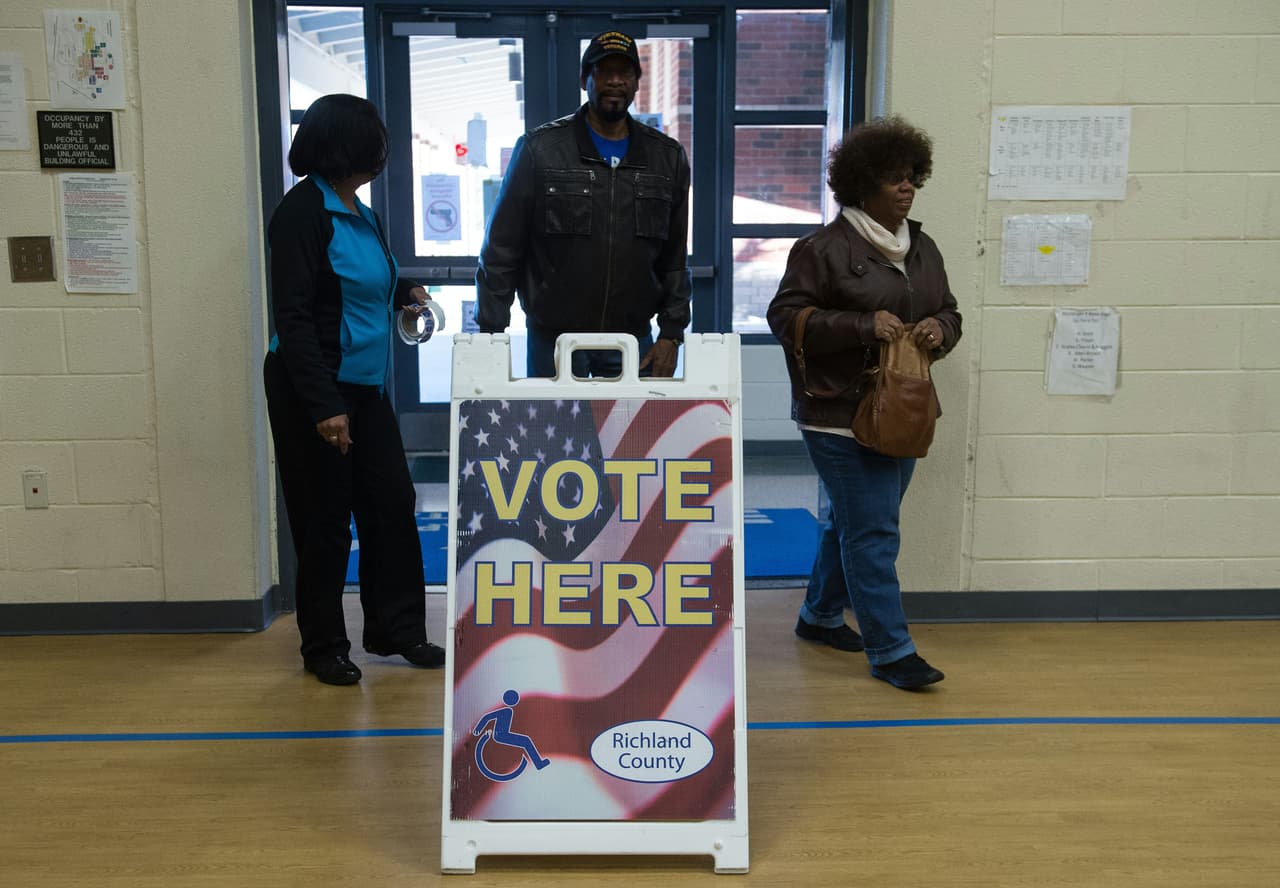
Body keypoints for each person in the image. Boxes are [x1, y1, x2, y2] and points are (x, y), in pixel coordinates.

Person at [767, 116, 962, 691]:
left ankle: (820, 615)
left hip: (902, 411)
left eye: (912, 177)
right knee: (873, 533)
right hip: (837, 417)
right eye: (893, 177)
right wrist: (860, 325)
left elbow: (949, 310)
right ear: (860, 183)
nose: (907, 187)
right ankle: (892, 651)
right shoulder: (822, 249)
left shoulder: (922, 247)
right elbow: (785, 318)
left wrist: (940, 329)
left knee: (853, 523)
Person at [263, 93, 445, 686]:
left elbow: (366, 278)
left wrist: (404, 291)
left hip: (365, 388)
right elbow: (293, 318)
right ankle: (324, 646)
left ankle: (397, 630)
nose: (382, 153)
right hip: (312, 388)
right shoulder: (302, 213)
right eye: (374, 143)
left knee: (391, 503)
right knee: (325, 519)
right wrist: (323, 406)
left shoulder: (357, 209)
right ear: (344, 146)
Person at [475, 30, 691, 379]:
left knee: (631, 420)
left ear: (637, 82)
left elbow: (675, 257)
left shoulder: (666, 158)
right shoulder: (539, 151)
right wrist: (489, 334)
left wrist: (672, 332)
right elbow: (501, 249)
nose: (615, 81)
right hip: (554, 340)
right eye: (604, 71)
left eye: (625, 72)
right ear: (584, 79)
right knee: (553, 420)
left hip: (631, 340)